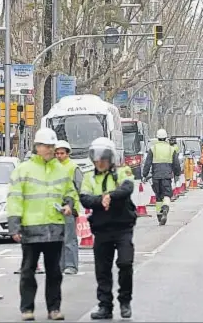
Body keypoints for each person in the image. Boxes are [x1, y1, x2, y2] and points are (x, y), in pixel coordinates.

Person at [7, 128, 76, 321]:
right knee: (28, 271)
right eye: (47, 146)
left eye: (52, 146)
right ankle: (27, 309)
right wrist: (14, 225)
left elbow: (70, 192)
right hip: (31, 229)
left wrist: (69, 204)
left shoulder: (61, 170)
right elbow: (14, 199)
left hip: (54, 228)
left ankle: (54, 309)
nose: (50, 150)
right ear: (37, 147)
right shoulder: (24, 170)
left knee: (55, 272)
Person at [79, 137, 136, 320]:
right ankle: (105, 306)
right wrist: (100, 200)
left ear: (110, 158)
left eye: (103, 158)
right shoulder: (88, 177)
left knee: (125, 263)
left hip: (122, 228)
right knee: (102, 269)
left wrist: (110, 196)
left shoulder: (122, 172)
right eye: (96, 159)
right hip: (101, 229)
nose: (99, 162)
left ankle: (125, 301)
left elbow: (127, 188)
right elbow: (85, 198)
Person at [55, 140, 83, 275]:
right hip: (54, 209)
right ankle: (60, 265)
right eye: (57, 153)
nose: (59, 156)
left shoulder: (73, 167)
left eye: (62, 153)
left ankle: (71, 265)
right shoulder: (52, 168)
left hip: (69, 209)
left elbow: (78, 188)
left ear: (67, 154)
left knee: (69, 238)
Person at [142, 129, 181, 225]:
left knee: (158, 196)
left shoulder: (153, 148)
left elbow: (147, 163)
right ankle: (165, 208)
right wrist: (177, 173)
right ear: (165, 138)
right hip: (167, 176)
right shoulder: (171, 149)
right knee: (167, 194)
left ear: (157, 137)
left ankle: (160, 217)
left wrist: (144, 174)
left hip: (156, 176)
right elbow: (176, 164)